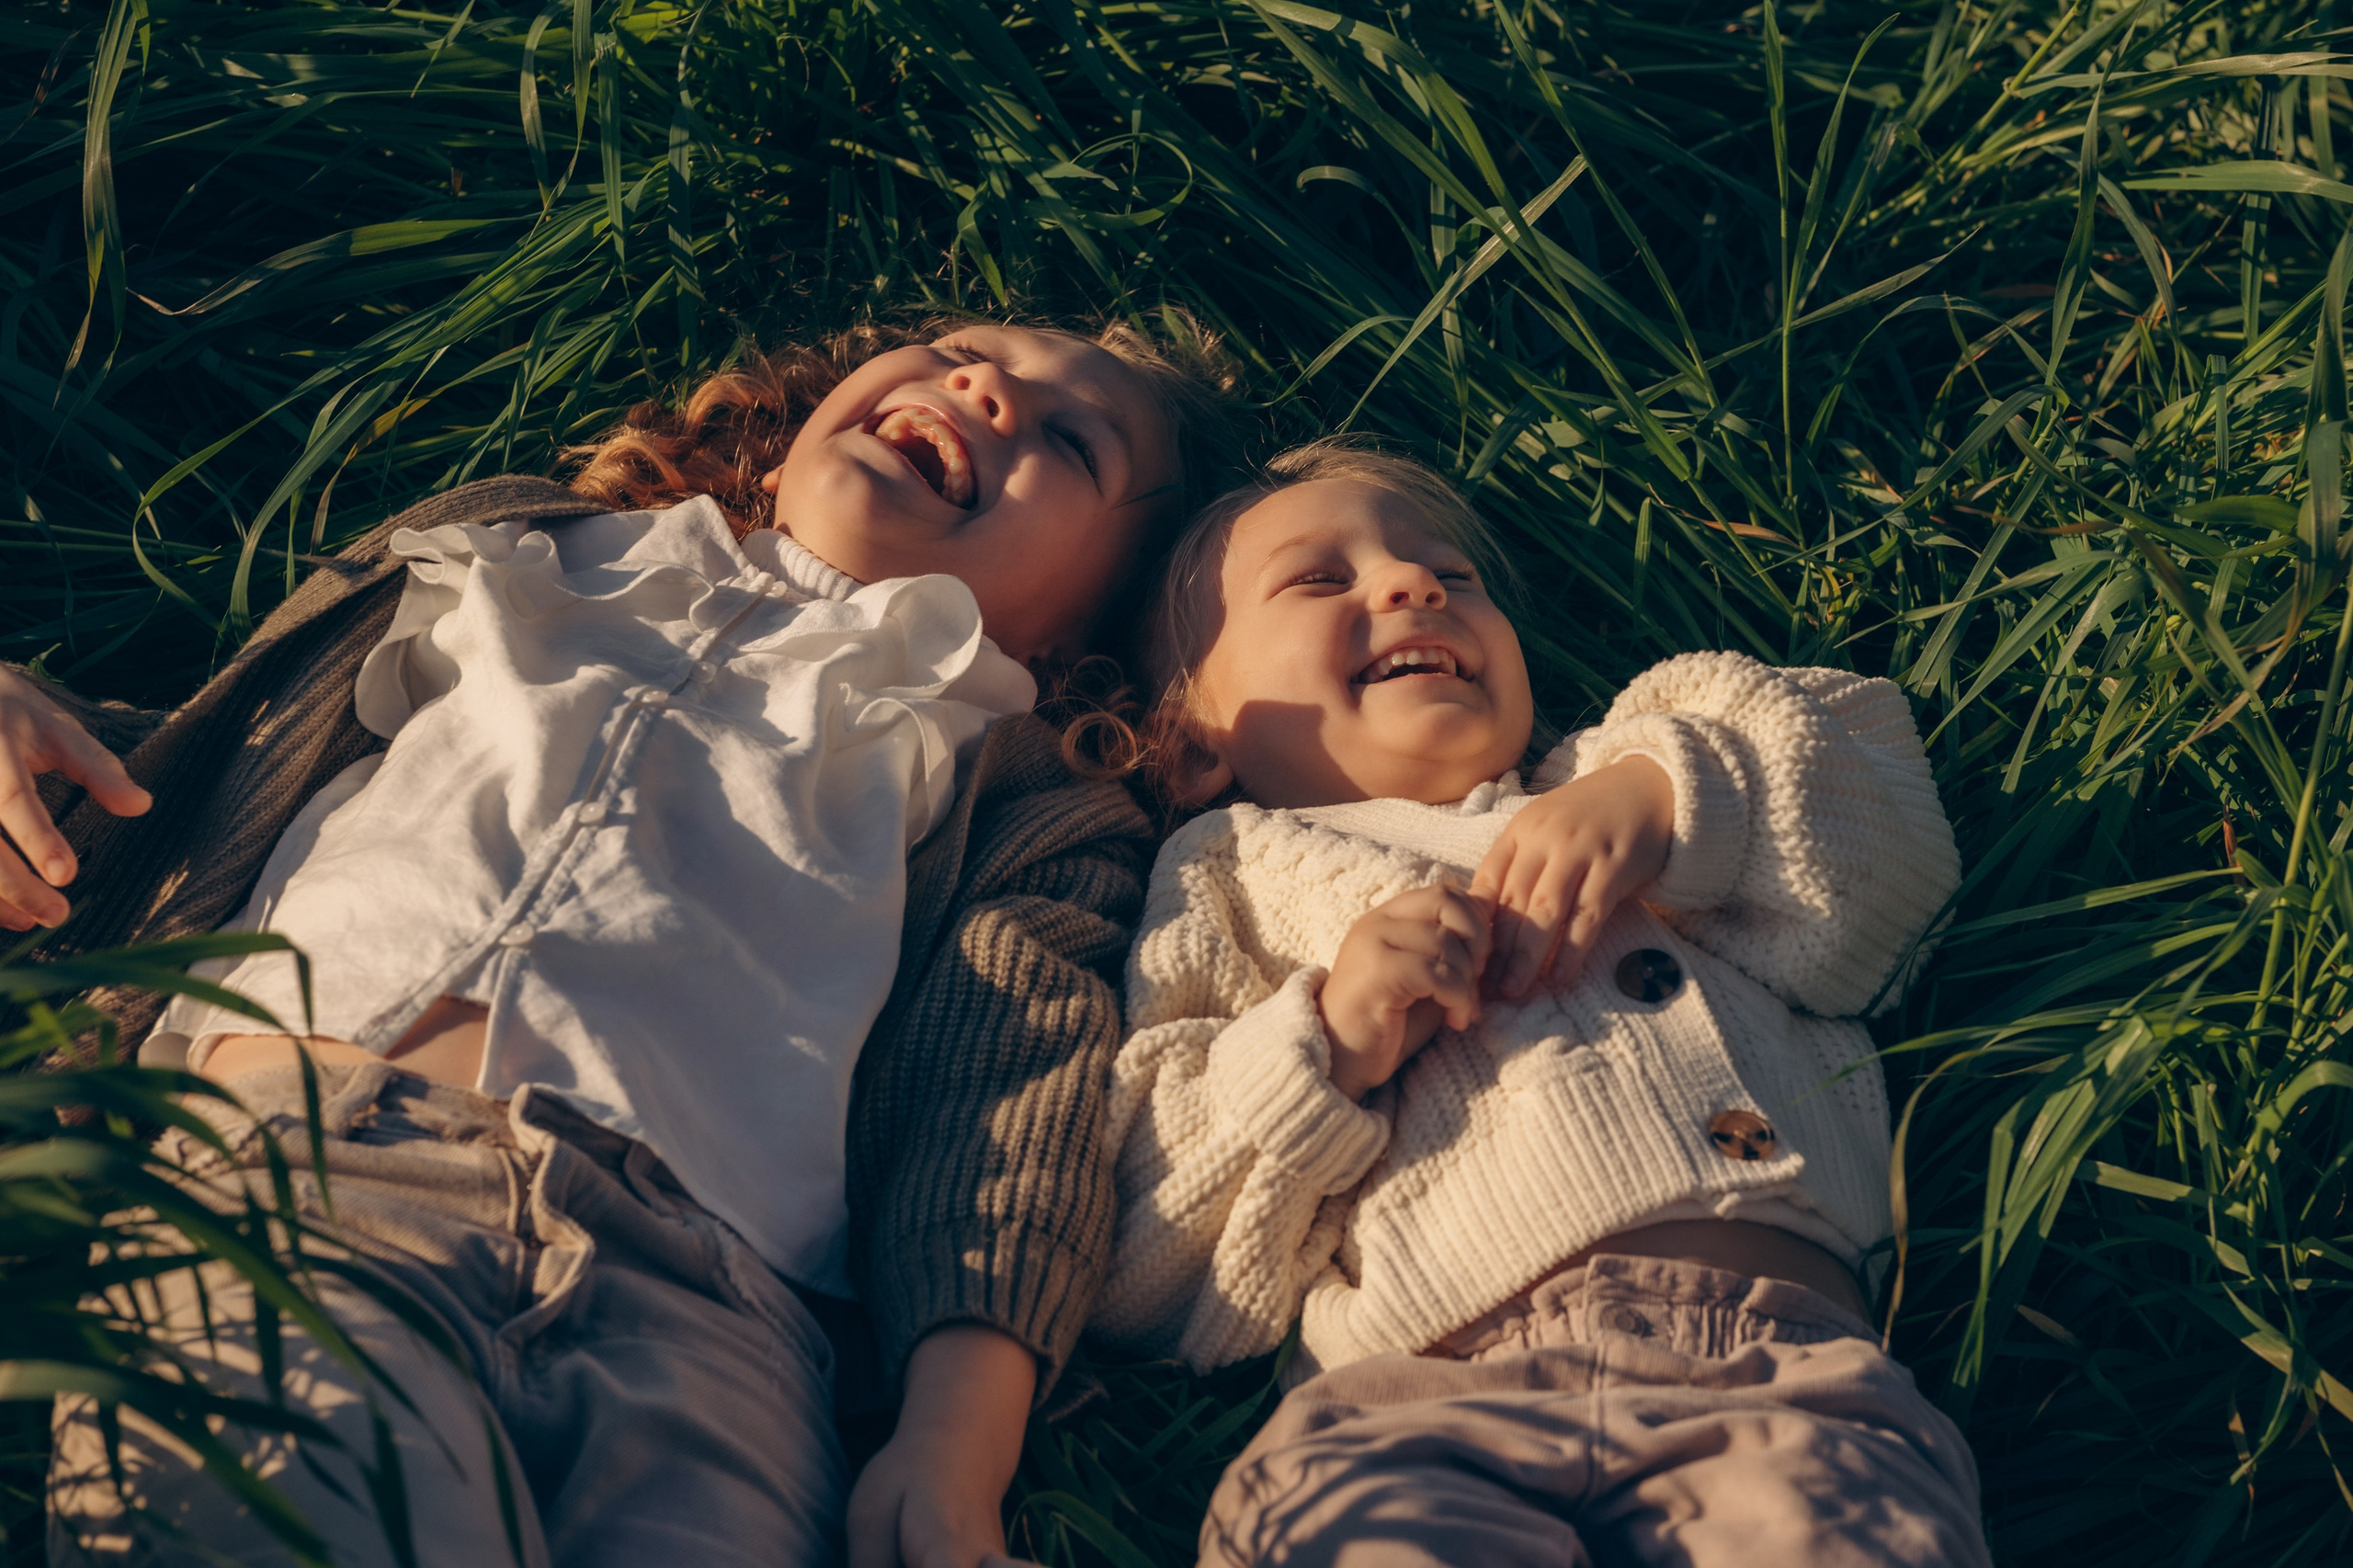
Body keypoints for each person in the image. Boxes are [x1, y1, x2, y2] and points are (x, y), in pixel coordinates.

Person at [5, 313, 1240, 1568]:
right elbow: (217, 774)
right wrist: (27, 723)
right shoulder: (526, 556)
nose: (984, 388)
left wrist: (951, 1453)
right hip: (307, 1188)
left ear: (1085, 628)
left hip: (713, 1326)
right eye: (964, 348)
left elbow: (1004, 1107)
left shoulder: (1020, 791)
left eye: (1070, 441)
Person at [1092, 439, 1988, 1566]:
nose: (1413, 587)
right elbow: (1145, 1248)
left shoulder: (1619, 762)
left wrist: (1666, 792)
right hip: (1413, 1400)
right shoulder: (1226, 875)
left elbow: (1884, 829)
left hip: (1780, 1365)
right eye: (1321, 580)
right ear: (1190, 744)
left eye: (1451, 576)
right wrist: (1328, 1037)